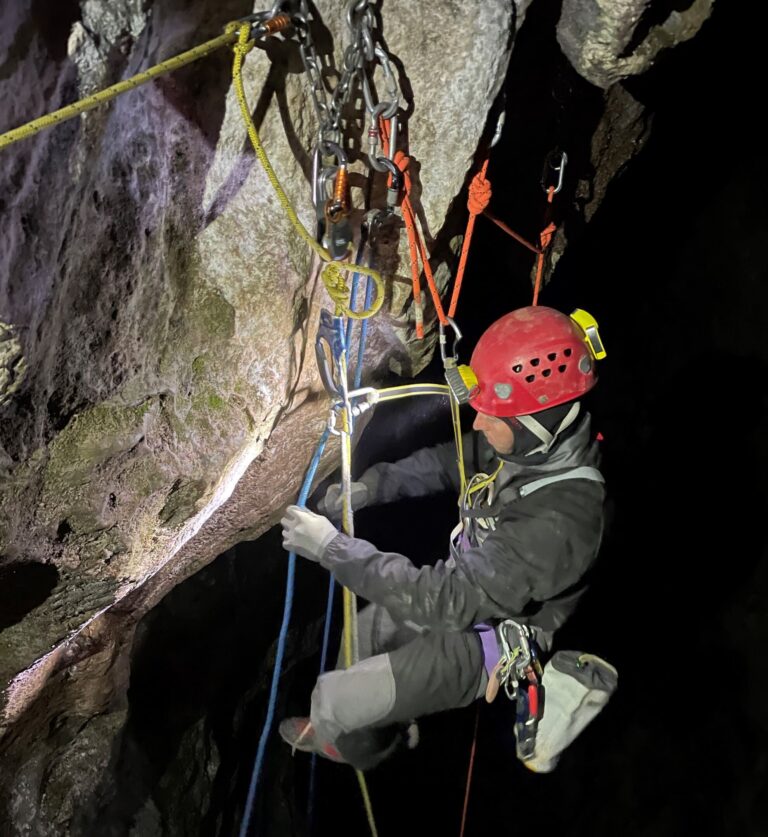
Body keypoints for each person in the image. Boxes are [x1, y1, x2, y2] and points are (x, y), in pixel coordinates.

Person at [278, 305, 607, 770]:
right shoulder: (529, 449)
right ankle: (387, 725)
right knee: (365, 631)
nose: (477, 423)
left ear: (535, 422)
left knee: (337, 699)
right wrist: (374, 486)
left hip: (483, 643)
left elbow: (448, 600)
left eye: (491, 416)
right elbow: (448, 460)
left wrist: (331, 549)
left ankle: (350, 743)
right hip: (463, 588)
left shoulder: (562, 521)